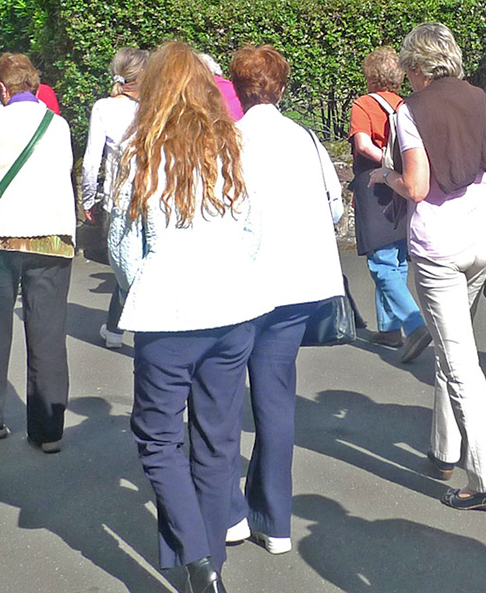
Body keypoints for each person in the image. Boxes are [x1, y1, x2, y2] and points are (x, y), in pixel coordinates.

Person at [108, 41, 266, 593]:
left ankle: (197, 561)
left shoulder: (138, 150)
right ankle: (211, 566)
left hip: (168, 311)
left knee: (158, 437)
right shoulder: (232, 143)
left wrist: (145, 287)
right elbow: (252, 232)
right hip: (233, 308)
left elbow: (123, 245)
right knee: (218, 440)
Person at [379, 22, 486, 512]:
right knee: (452, 342)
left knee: (460, 362)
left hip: (438, 246)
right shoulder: (485, 101)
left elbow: (416, 188)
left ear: (417, 65)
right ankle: (444, 449)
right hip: (482, 239)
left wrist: (387, 176)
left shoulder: (411, 110)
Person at [226, 45, 344, 556]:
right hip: (297, 286)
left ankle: (229, 513)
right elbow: (335, 208)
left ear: (236, 88)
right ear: (282, 87)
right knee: (275, 403)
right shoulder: (306, 139)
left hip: (240, 287)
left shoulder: (228, 139)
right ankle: (273, 521)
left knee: (221, 400)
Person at [0, 53, 76, 453]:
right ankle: (48, 431)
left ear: (2, 88)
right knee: (48, 335)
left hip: (2, 238)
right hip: (54, 239)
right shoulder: (58, 124)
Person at [348, 47, 424, 353]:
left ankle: (415, 323)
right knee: (397, 260)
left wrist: (386, 165)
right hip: (401, 187)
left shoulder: (363, 104)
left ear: (370, 75)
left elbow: (363, 146)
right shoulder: (407, 105)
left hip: (375, 186)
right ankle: (390, 329)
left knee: (381, 263)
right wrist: (399, 168)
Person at [82, 47, 147, 349]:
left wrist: (87, 199)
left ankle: (116, 331)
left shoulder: (103, 108)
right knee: (143, 263)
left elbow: (91, 161)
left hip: (117, 198)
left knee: (123, 265)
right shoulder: (153, 108)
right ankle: (130, 329)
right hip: (150, 195)